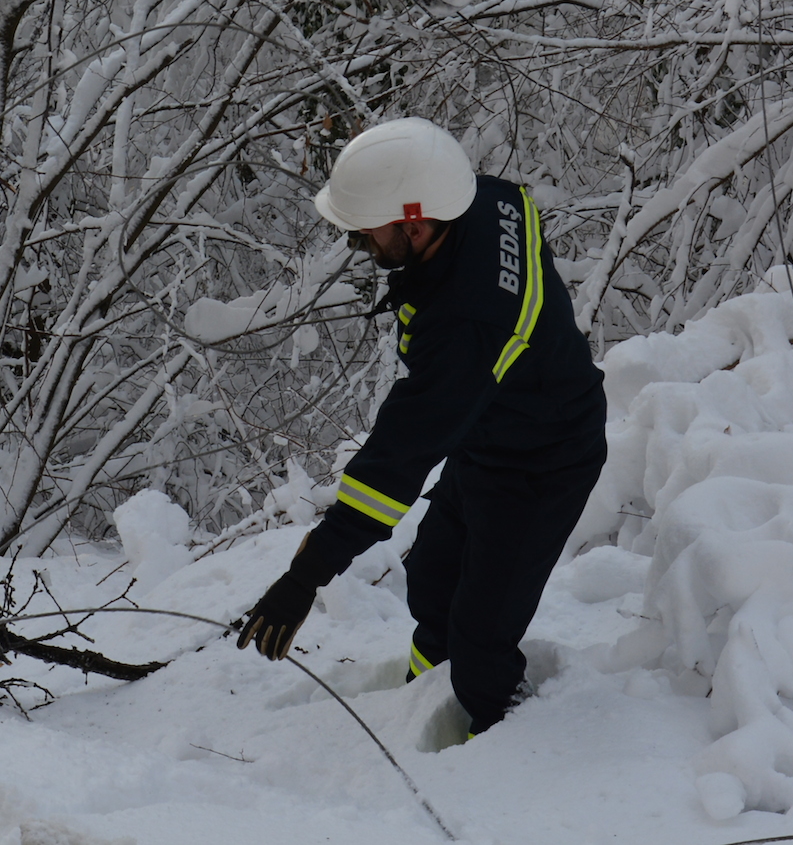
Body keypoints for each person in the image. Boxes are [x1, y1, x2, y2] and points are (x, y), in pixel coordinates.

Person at [236, 118, 607, 738]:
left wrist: (305, 576)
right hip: (495, 430)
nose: (357, 241)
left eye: (366, 230)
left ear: (414, 224)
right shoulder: (486, 199)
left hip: (545, 461)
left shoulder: (468, 325)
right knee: (434, 577)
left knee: (482, 636)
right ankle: (424, 701)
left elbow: (396, 463)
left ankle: (501, 751)